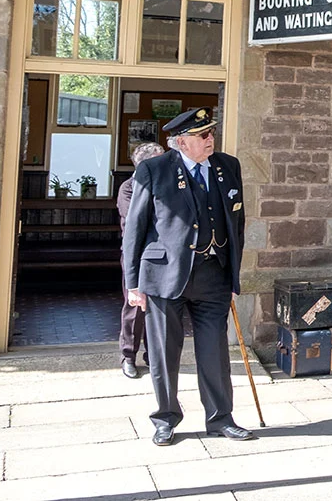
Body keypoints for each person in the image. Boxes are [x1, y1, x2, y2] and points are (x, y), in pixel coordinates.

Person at [123, 107, 254, 446]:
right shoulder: (154, 170)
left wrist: (233, 276)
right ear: (181, 142)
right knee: (165, 352)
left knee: (215, 352)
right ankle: (165, 418)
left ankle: (221, 418)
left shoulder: (228, 167)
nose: (211, 139)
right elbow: (135, 230)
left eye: (211, 133)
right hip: (165, 276)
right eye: (203, 135)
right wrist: (133, 283)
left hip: (214, 274)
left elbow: (236, 223)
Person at [118, 141, 166, 379]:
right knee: (134, 307)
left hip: (159, 255)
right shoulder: (129, 188)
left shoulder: (164, 185)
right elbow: (134, 224)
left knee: (157, 306)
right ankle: (128, 356)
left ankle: (152, 356)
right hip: (136, 255)